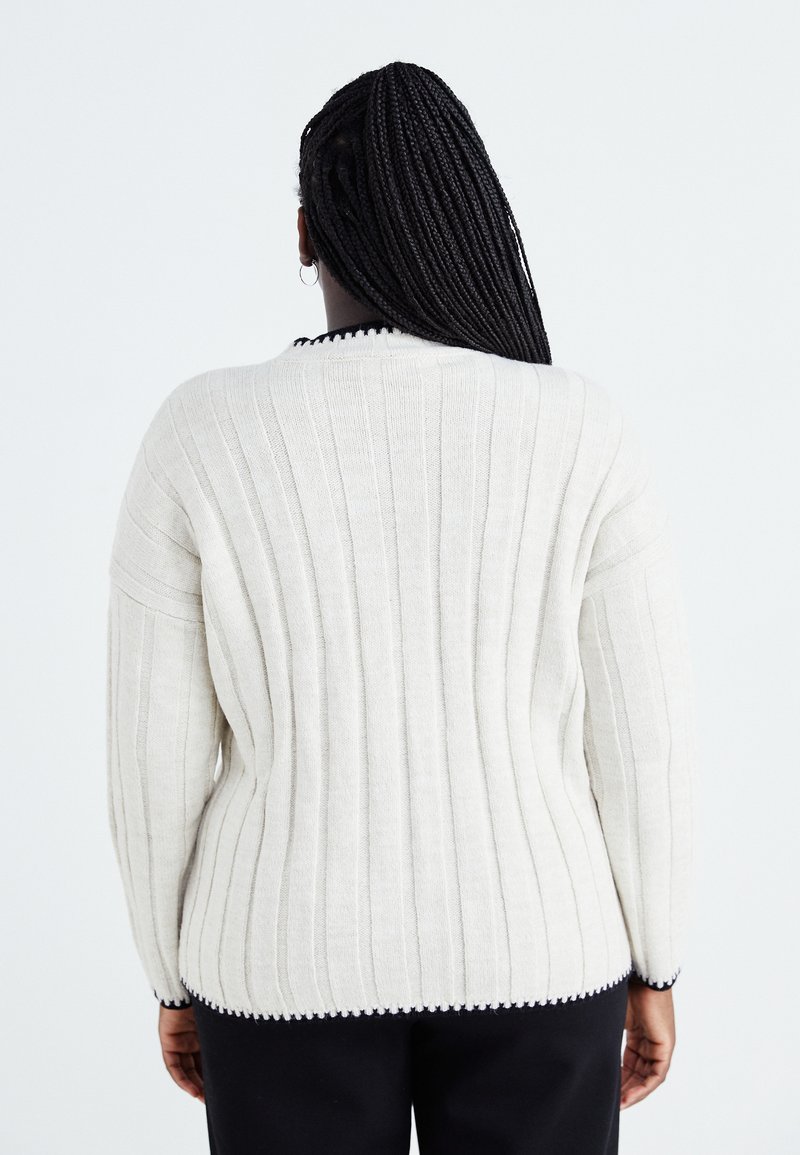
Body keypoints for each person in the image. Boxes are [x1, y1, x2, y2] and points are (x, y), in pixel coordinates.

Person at [105, 60, 695, 1155]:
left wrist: (170, 973)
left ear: (303, 235)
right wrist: (655, 961)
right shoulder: (581, 430)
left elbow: (152, 754)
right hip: (540, 950)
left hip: (275, 964)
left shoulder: (199, 434)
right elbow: (643, 739)